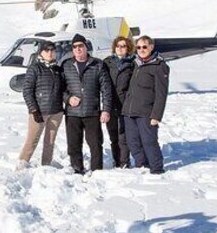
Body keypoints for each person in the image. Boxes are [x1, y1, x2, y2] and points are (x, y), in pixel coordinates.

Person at [61, 33, 113, 174]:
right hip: (73, 113)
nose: (78, 49)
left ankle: (97, 171)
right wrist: (68, 99)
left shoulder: (97, 64)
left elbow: (106, 89)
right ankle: (77, 169)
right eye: (75, 47)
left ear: (86, 47)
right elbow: (60, 89)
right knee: (73, 144)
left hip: (92, 111)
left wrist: (106, 110)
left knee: (95, 144)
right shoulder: (66, 65)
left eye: (80, 46)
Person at [121, 35, 169, 174]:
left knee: (149, 141)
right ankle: (142, 165)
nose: (141, 50)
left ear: (151, 47)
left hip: (146, 112)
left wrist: (156, 115)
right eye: (139, 47)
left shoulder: (159, 66)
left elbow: (161, 94)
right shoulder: (136, 63)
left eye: (144, 47)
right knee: (133, 142)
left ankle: (156, 168)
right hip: (130, 111)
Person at [18, 41, 65, 168]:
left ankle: (46, 165)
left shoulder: (58, 69)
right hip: (39, 112)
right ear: (41, 53)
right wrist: (33, 110)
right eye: (46, 50)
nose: (50, 53)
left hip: (56, 111)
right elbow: (27, 91)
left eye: (52, 50)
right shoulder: (35, 68)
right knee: (32, 140)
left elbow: (64, 90)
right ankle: (22, 164)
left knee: (50, 141)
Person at [103, 36, 135, 168]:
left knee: (124, 136)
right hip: (110, 104)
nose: (120, 49)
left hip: (125, 104)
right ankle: (117, 161)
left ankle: (124, 162)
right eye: (118, 46)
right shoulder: (107, 62)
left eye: (123, 46)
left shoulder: (132, 64)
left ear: (128, 48)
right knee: (113, 136)